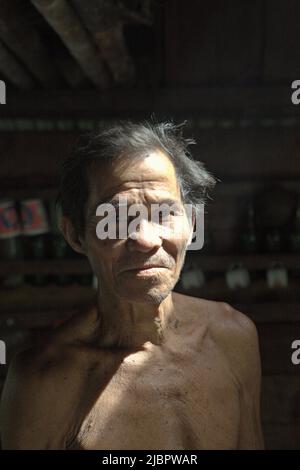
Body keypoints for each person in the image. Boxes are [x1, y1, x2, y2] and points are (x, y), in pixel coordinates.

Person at [0, 121, 264, 449]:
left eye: (165, 213)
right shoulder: (45, 379)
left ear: (192, 223)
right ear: (75, 234)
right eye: (117, 218)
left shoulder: (234, 338)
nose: (145, 239)